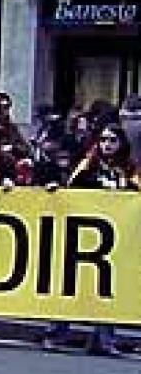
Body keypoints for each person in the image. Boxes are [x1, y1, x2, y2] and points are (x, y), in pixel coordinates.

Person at [40, 126, 135, 356]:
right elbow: (72, 192)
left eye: (112, 140)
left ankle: (104, 340)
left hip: (112, 242)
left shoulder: (129, 170)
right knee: (71, 286)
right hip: (83, 238)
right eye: (103, 140)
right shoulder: (87, 167)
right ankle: (55, 333)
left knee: (106, 290)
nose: (107, 145)